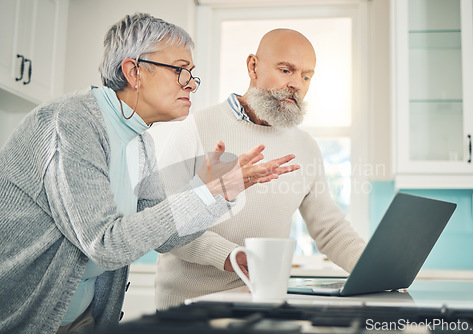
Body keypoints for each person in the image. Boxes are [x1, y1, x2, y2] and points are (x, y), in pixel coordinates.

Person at [0, 15, 299, 334]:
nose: (191, 83)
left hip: (82, 319)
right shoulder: (70, 124)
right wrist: (206, 193)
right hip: (30, 321)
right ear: (134, 71)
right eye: (181, 70)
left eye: (193, 74)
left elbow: (167, 237)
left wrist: (214, 190)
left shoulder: (140, 141)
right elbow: (105, 243)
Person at [152, 28, 367, 310]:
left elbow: (330, 230)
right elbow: (163, 226)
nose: (296, 85)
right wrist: (230, 256)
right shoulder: (196, 128)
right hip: (188, 308)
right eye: (286, 70)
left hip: (262, 305)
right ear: (253, 66)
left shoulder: (306, 147)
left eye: (306, 76)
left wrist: (376, 271)